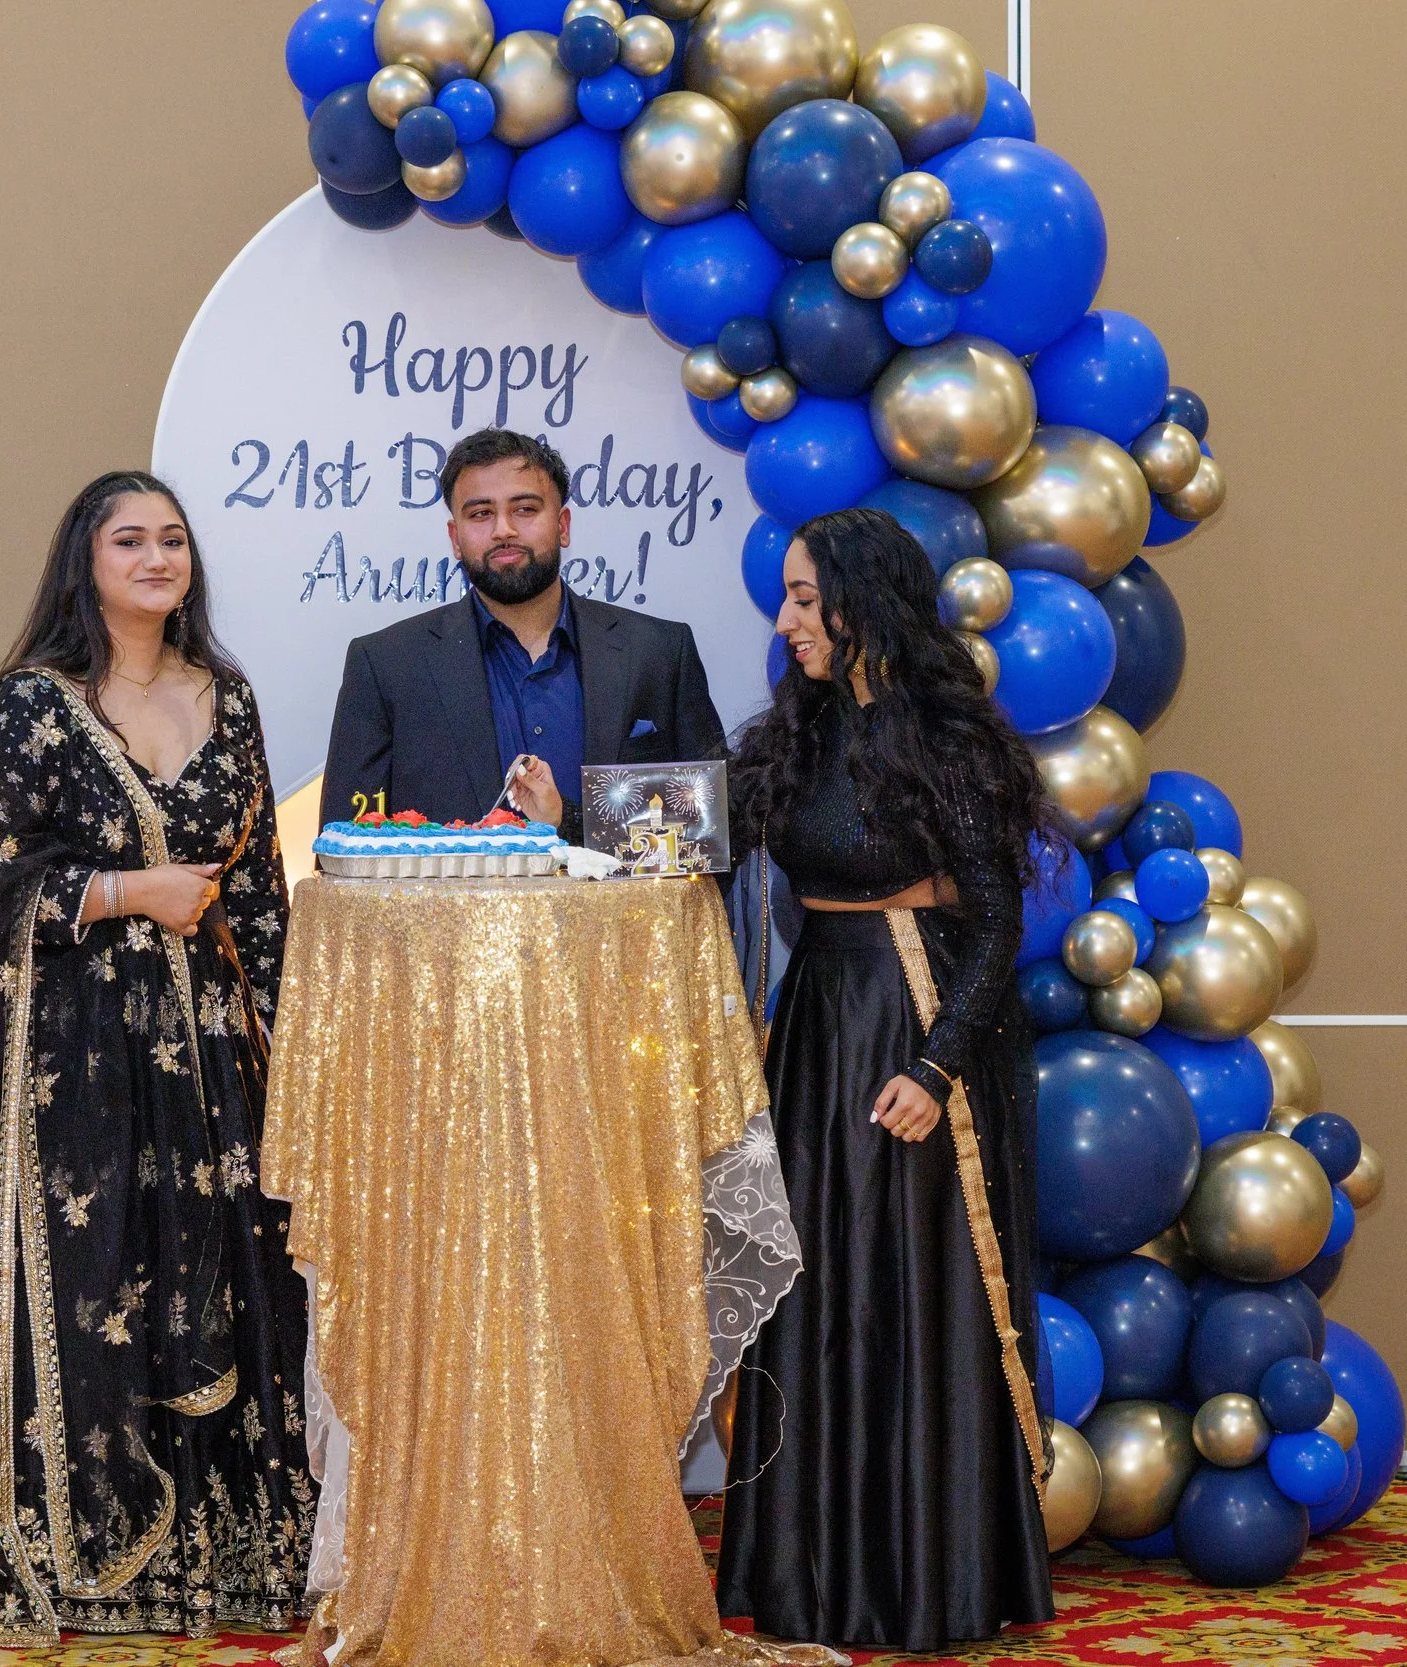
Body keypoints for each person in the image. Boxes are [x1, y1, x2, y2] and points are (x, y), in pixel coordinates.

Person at [0, 471, 314, 1645]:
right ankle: (67, 1557)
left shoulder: (232, 695)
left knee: (214, 1279)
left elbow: (257, 890)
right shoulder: (32, 704)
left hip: (210, 1056)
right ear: (87, 559)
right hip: (75, 1054)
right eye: (131, 539)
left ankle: (219, 1564)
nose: (158, 557)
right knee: (92, 1288)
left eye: (172, 539)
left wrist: (300, 1041)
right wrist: (126, 892)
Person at [714, 507, 1056, 1651]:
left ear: (864, 603)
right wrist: (575, 818)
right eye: (789, 598)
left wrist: (935, 1063)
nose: (788, 619)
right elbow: (690, 836)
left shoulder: (945, 744)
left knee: (910, 1293)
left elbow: (1000, 922)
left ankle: (925, 1575)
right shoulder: (795, 735)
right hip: (814, 1031)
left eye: (806, 597)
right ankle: (811, 1579)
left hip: (911, 1023)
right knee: (817, 1295)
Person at [318, 427, 725, 841]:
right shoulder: (387, 666)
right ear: (455, 539)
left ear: (563, 525)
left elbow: (712, 827)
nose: (503, 530)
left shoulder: (657, 652)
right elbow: (343, 848)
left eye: (525, 509)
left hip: (628, 908)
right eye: (480, 514)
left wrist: (571, 820)